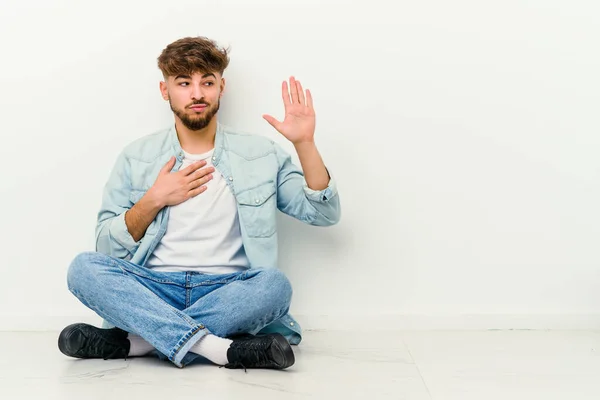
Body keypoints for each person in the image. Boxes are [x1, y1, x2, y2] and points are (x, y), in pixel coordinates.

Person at [57, 36, 340, 370]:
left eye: (207, 82)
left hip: (227, 291)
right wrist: (154, 199)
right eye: (183, 83)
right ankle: (220, 349)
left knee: (274, 286)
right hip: (155, 290)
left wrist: (305, 143)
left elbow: (323, 213)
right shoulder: (136, 157)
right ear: (165, 91)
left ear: (222, 87)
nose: (196, 93)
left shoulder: (260, 154)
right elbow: (106, 249)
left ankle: (142, 342)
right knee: (83, 269)